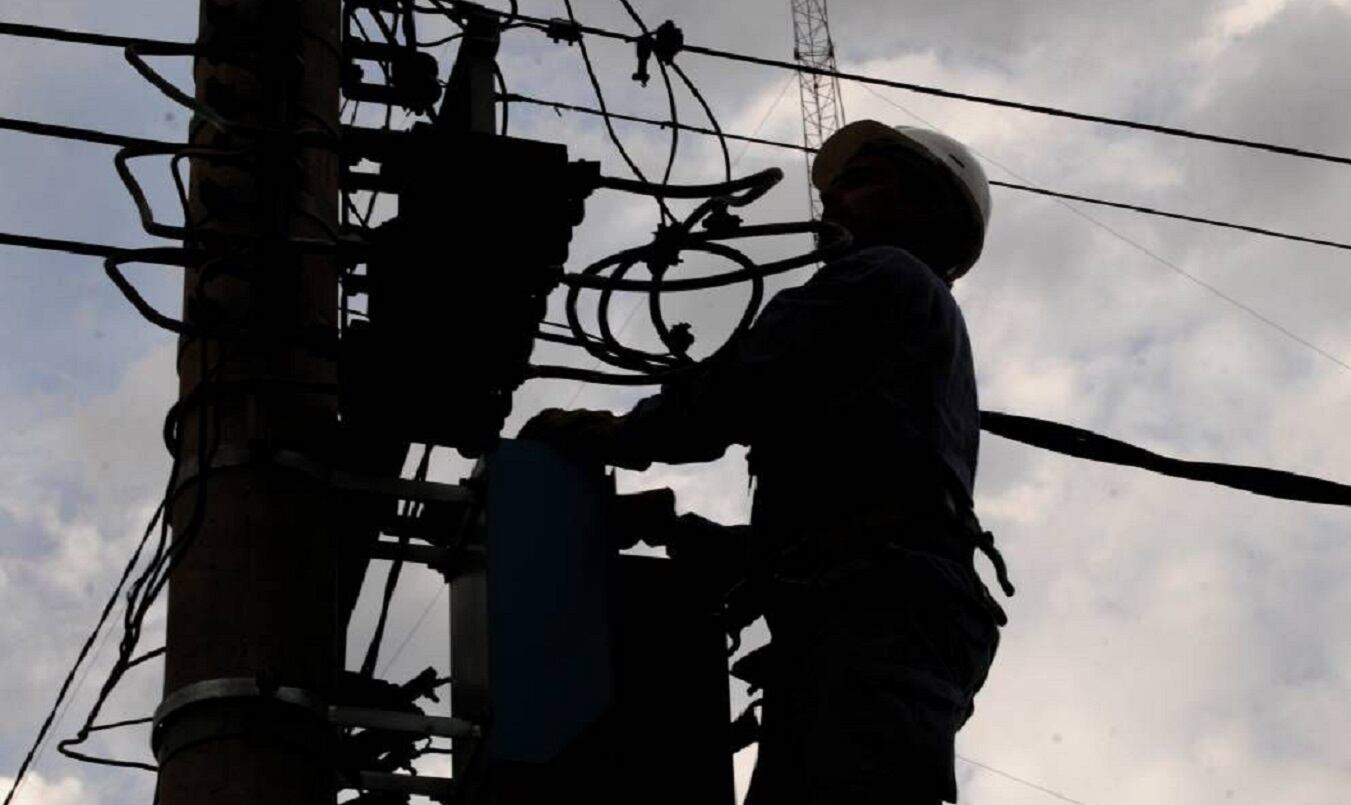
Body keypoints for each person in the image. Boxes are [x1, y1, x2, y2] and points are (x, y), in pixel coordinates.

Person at [519, 120, 1013, 805]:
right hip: (879, 621)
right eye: (833, 187)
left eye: (861, 181)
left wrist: (606, 432)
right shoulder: (905, 338)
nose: (831, 201)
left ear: (927, 206)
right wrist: (678, 532)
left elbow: (735, 391)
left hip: (879, 621)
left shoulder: (883, 275)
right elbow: (841, 521)